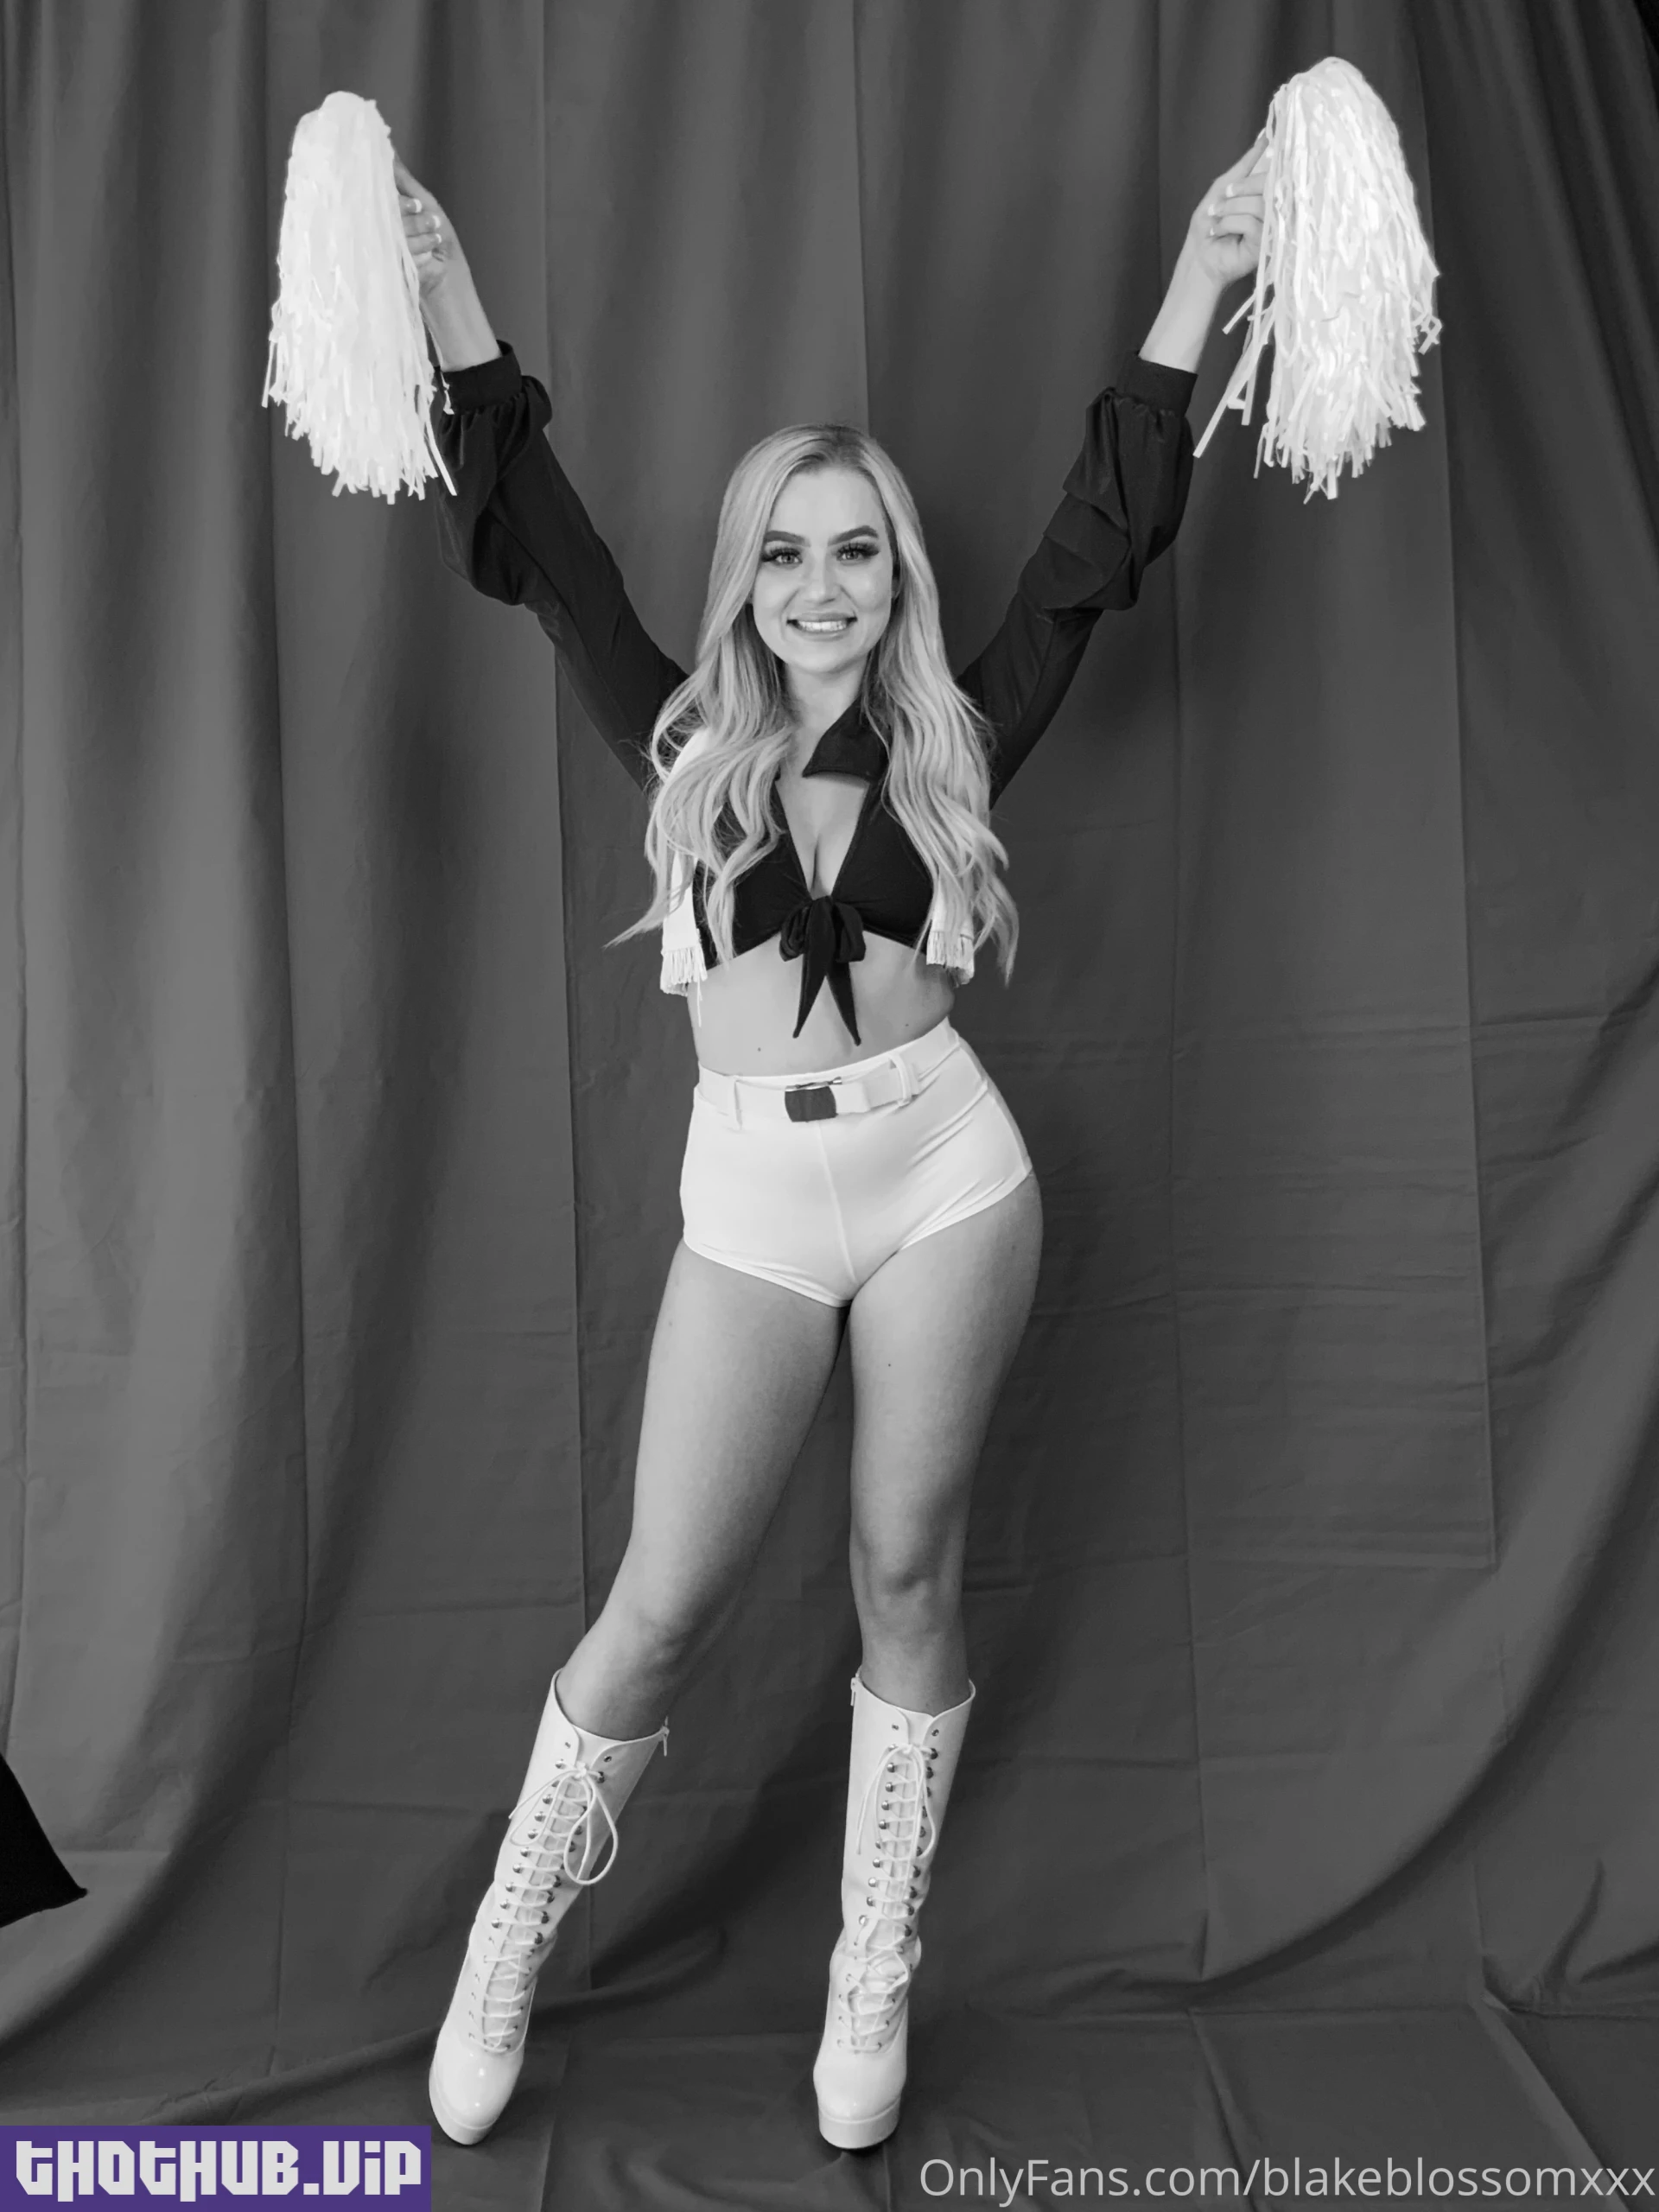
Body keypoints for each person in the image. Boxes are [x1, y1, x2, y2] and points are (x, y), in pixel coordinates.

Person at [395, 141, 1264, 2152]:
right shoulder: (679, 738)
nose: (819, 585)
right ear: (746, 576)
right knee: (661, 1600)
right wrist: (448, 305)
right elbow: (544, 541)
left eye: (856, 551)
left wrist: (1202, 283)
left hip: (946, 1176)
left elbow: (1091, 550)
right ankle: (507, 1935)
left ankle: (876, 1958)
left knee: (905, 1562)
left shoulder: (959, 734)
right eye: (784, 551)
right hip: (758, 1202)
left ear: (896, 574)